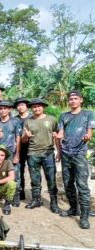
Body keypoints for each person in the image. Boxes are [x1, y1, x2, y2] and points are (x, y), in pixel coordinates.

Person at [57, 90, 95, 229]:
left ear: (81, 100)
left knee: (82, 186)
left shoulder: (88, 114)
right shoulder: (64, 116)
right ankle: (73, 208)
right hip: (66, 154)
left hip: (80, 154)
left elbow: (89, 131)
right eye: (71, 99)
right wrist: (59, 138)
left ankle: (84, 217)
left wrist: (87, 136)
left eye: (75, 98)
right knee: (68, 184)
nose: (72, 101)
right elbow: (61, 132)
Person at [22, 98, 60, 214]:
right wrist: (26, 136)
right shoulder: (28, 121)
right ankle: (36, 199)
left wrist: (59, 151)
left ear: (43, 107)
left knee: (51, 179)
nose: (36, 108)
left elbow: (56, 136)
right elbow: (23, 140)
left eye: (39, 106)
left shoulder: (52, 120)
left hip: (48, 153)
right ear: (31, 108)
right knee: (35, 179)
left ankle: (54, 202)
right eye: (34, 107)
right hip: (33, 153)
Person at [0, 101, 21, 207]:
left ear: (9, 109)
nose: (2, 110)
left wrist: (17, 154)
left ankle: (13, 197)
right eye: (0, 108)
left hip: (11, 152)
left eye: (5, 108)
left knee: (14, 175)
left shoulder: (15, 122)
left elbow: (18, 138)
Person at [14, 97, 31, 200]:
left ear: (26, 106)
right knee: (19, 171)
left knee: (33, 171)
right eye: (18, 105)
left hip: (32, 148)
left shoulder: (32, 118)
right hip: (19, 148)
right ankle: (20, 192)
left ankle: (36, 196)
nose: (20, 107)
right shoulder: (15, 119)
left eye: (22, 105)